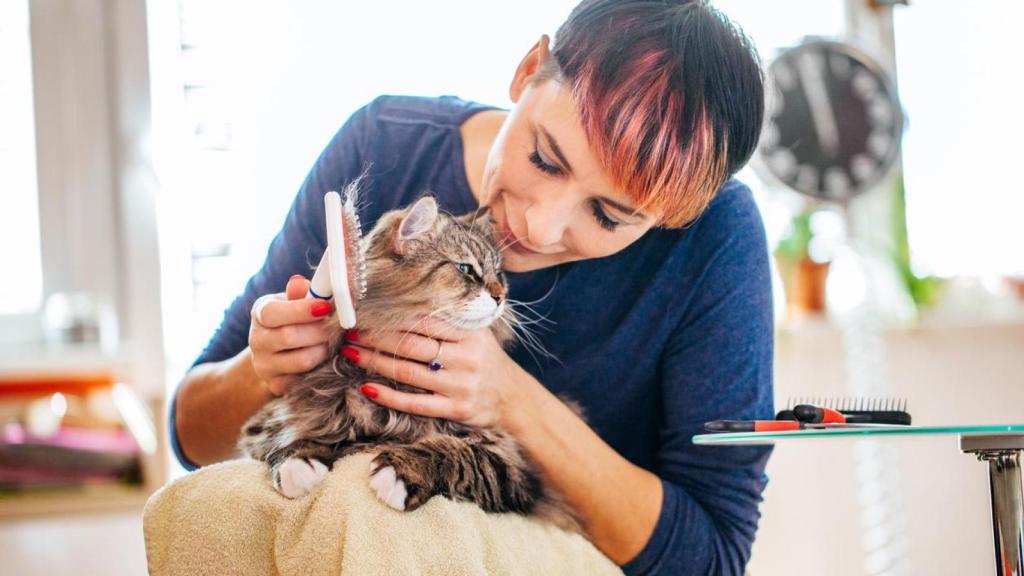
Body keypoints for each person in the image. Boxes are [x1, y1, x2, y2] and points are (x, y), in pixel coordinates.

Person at [171, 1, 774, 574]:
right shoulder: (385, 146)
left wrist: (512, 399)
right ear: (528, 69)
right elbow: (189, 435)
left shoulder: (716, 239)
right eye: (544, 158)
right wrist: (266, 368)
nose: (539, 227)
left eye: (609, 217)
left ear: (677, 214)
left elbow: (714, 555)